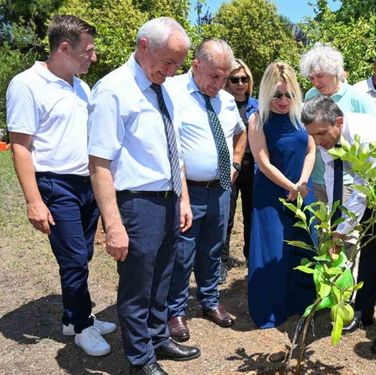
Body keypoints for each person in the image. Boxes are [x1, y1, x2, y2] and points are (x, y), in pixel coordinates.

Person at [88, 17, 200, 374]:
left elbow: (175, 150)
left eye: (177, 64)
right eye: (167, 61)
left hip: (167, 199)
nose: (171, 71)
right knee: (138, 286)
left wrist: (182, 198)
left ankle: (157, 338)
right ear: (143, 46)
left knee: (163, 278)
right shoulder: (113, 90)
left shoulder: (162, 89)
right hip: (137, 202)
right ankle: (140, 359)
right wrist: (114, 225)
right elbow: (99, 163)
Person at [6, 14, 115, 357]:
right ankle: (82, 327)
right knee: (74, 258)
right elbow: (21, 146)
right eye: (89, 50)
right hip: (55, 184)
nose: (93, 57)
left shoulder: (81, 87)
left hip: (86, 184)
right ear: (65, 48)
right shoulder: (26, 84)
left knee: (83, 254)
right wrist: (33, 200)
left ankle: (73, 317)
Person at [301, 95, 376, 354]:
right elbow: (335, 178)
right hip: (375, 191)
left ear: (339, 121)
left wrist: (341, 232)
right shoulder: (326, 138)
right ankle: (362, 312)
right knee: (370, 251)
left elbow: (363, 192)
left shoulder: (366, 135)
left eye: (321, 133)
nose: (318, 141)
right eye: (313, 136)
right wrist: (334, 219)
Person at [164, 39, 246, 343]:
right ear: (195, 65)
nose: (220, 83)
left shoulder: (225, 100)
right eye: (214, 76)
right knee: (182, 252)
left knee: (213, 248)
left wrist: (235, 163)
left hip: (221, 188)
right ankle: (175, 311)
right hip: (189, 191)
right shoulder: (172, 92)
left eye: (225, 77)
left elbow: (241, 132)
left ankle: (210, 302)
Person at [247, 62, 316, 330]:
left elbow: (311, 150)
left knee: (300, 249)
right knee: (273, 251)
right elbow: (263, 162)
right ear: (267, 94)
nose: (283, 101)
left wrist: (302, 182)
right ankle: (270, 310)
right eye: (277, 95)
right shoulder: (258, 119)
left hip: (301, 192)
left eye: (288, 95)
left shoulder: (301, 117)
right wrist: (290, 185)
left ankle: (300, 303)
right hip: (271, 195)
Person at [299, 43, 374, 203]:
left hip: (348, 181)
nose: (316, 83)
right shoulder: (310, 96)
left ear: (334, 70)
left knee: (343, 227)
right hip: (317, 179)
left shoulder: (359, 99)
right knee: (319, 227)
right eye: (311, 78)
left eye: (319, 76)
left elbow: (370, 144)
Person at [221, 58, 259, 277]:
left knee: (251, 214)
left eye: (244, 79)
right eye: (235, 79)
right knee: (226, 214)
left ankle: (251, 256)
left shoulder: (258, 105)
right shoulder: (222, 103)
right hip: (230, 166)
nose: (240, 83)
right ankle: (221, 261)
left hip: (253, 166)